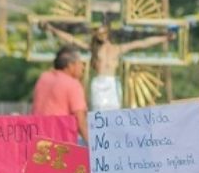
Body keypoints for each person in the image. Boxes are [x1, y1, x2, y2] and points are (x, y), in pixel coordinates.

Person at [43, 24, 172, 111]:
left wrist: (164, 38)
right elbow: (72, 40)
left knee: (114, 113)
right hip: (98, 83)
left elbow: (142, 43)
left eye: (104, 33)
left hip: (112, 84)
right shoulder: (93, 49)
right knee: (98, 113)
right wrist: (52, 29)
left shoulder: (117, 49)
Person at [31, 46, 89, 142]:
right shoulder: (73, 84)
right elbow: (80, 121)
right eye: (80, 63)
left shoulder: (43, 78)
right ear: (71, 65)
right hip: (60, 143)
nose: (83, 67)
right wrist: (93, 146)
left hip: (38, 140)